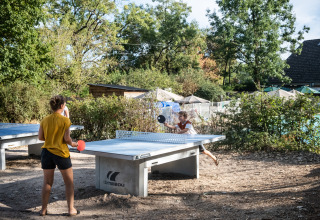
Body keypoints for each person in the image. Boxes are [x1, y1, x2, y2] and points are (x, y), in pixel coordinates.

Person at [38, 95, 80, 216]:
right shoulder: (65, 120)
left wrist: (51, 138)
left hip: (46, 153)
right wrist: (73, 143)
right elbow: (67, 138)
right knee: (69, 182)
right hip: (61, 153)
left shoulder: (45, 119)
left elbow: (40, 137)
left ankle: (43, 210)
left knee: (47, 182)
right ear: (62, 106)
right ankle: (71, 209)